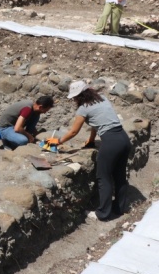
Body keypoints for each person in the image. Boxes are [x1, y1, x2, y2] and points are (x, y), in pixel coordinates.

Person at [49, 81, 131, 221]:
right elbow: (95, 124)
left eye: (74, 97)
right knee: (120, 176)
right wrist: (91, 140)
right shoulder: (102, 98)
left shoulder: (83, 109)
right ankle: (120, 208)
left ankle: (103, 214)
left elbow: (74, 131)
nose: (74, 100)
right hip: (123, 139)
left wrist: (58, 141)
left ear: (79, 96)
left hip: (111, 142)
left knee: (103, 177)